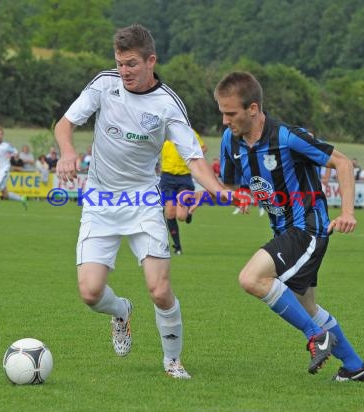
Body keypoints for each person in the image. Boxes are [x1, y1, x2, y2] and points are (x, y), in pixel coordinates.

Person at [53, 24, 227, 379]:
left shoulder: (168, 105)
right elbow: (64, 124)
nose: (124, 71)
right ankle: (121, 311)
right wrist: (67, 152)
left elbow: (193, 158)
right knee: (89, 293)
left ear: (151, 60)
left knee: (159, 289)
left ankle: (172, 361)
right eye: (120, 63)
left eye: (131, 63)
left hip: (144, 201)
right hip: (99, 201)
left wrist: (217, 188)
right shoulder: (104, 84)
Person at [189, 71, 364, 381]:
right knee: (305, 304)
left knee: (251, 278)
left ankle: (316, 336)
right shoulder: (231, 142)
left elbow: (342, 162)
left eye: (231, 113)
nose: (224, 120)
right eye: (222, 112)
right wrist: (204, 195)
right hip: (283, 230)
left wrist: (348, 212)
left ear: (254, 109)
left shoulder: (287, 136)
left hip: (308, 227)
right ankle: (354, 367)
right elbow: (235, 188)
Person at [159, 130, 207, 255]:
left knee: (181, 217)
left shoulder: (188, 132)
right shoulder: (162, 131)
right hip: (167, 176)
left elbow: (203, 147)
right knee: (169, 212)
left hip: (184, 177)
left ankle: (189, 209)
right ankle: (177, 246)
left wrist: (189, 155)